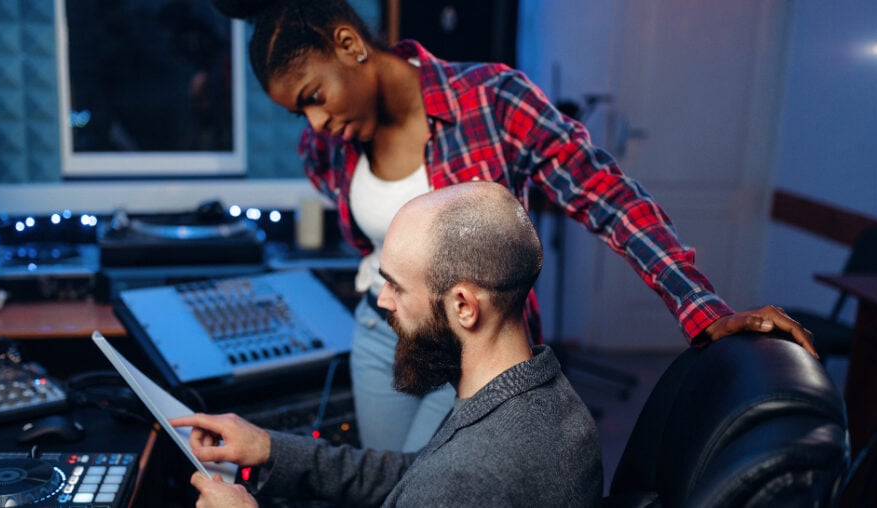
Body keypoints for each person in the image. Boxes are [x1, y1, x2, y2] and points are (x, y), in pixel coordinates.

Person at [210, 0, 817, 452]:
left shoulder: (493, 99)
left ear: (349, 44)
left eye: (315, 96)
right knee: (385, 482)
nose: (313, 124)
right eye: (299, 112)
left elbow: (609, 198)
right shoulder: (327, 152)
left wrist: (702, 309)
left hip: (474, 347)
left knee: (431, 482)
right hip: (381, 332)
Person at [170, 181, 604, 507]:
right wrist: (270, 448)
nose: (383, 300)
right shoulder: (541, 395)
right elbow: (415, 472)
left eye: (396, 286)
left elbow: (441, 481)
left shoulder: (471, 475)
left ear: (463, 306)